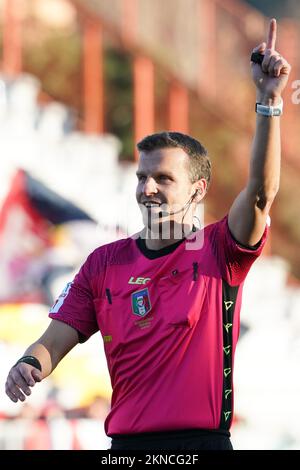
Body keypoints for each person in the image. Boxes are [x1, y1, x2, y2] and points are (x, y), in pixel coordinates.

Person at [5, 19, 291, 450]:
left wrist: (268, 102)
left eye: (163, 178)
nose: (147, 187)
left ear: (199, 189)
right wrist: (28, 363)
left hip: (200, 447)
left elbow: (260, 193)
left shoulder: (220, 250)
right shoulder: (104, 263)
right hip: (126, 450)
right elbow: (53, 341)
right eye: (142, 176)